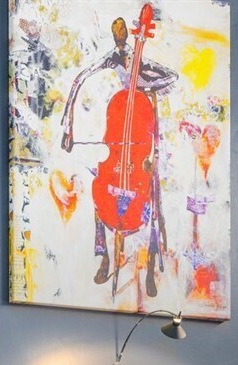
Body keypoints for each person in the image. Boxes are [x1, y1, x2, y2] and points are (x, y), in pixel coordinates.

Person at [61, 15, 177, 287]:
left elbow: (172, 77)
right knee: (100, 194)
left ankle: (150, 262)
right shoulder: (112, 58)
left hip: (140, 153)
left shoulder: (143, 62)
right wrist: (69, 126)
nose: (121, 42)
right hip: (118, 148)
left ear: (127, 35)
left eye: (123, 36)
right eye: (117, 37)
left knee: (153, 196)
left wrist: (142, 86)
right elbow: (80, 78)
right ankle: (104, 257)